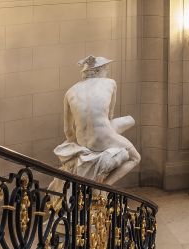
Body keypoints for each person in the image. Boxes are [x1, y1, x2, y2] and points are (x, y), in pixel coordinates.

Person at [54, 55, 140, 185]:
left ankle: (123, 125)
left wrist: (76, 142)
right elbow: (110, 116)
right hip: (103, 139)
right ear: (98, 70)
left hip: (83, 141)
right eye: (106, 68)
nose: (108, 71)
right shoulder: (110, 83)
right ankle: (104, 186)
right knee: (135, 158)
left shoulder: (70, 92)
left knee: (129, 120)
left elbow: (68, 130)